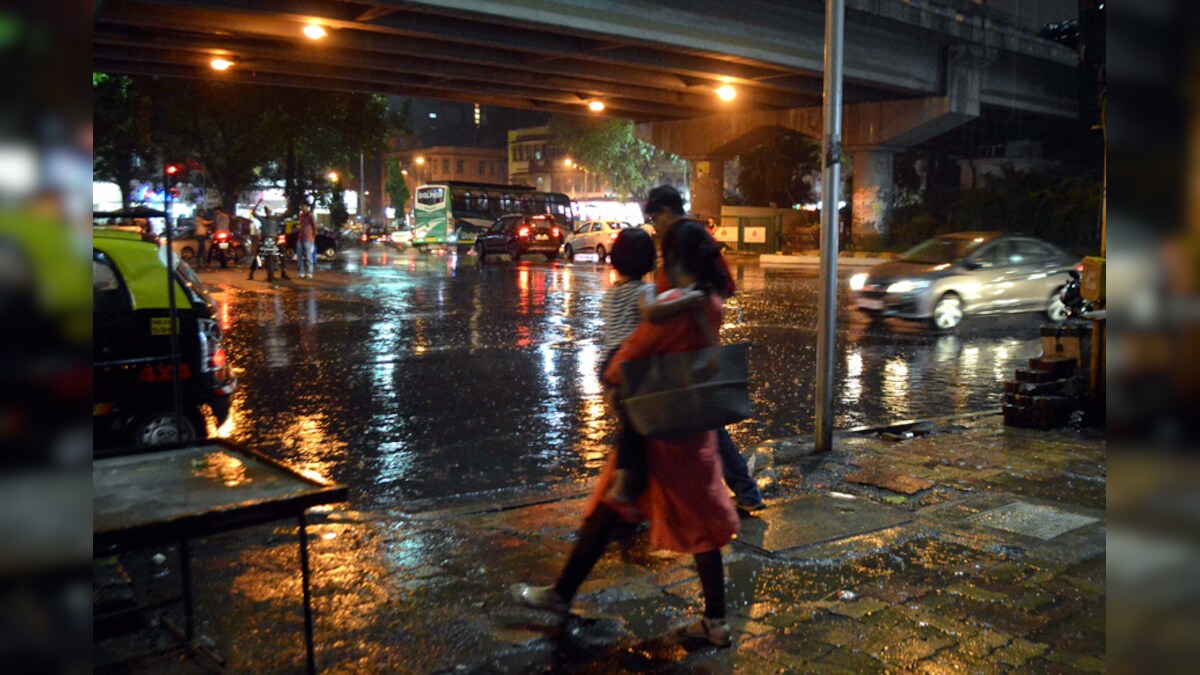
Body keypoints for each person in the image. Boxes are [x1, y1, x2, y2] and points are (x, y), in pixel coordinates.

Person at [512, 223, 741, 647]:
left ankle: (562, 594)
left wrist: (610, 374)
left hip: (656, 428)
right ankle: (715, 621)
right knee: (701, 525)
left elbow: (630, 356)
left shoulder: (672, 307)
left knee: (609, 506)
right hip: (694, 430)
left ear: (672, 260)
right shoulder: (710, 302)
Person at [643, 185, 766, 513]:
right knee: (702, 420)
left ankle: (723, 495)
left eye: (654, 217)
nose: (655, 225)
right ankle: (739, 491)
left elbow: (684, 295)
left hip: (690, 338)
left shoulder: (680, 238)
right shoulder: (695, 233)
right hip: (699, 333)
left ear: (666, 211)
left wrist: (707, 349)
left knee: (694, 421)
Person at [248, 199, 290, 282]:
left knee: (282, 253)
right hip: (264, 240)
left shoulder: (277, 219)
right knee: (257, 255)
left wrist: (288, 204)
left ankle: (283, 272)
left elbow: (286, 214)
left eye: (269, 210)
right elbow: (253, 213)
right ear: (265, 211)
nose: (268, 212)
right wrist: (258, 203)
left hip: (274, 240)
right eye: (266, 210)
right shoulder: (262, 219)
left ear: (271, 211)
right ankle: (251, 273)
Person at [296, 202, 317, 279]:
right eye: (301, 207)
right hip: (300, 238)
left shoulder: (310, 215)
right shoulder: (301, 216)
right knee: (299, 256)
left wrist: (313, 238)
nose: (302, 208)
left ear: (307, 207)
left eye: (303, 206)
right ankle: (301, 272)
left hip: (308, 238)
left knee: (308, 256)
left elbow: (314, 226)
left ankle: (309, 272)